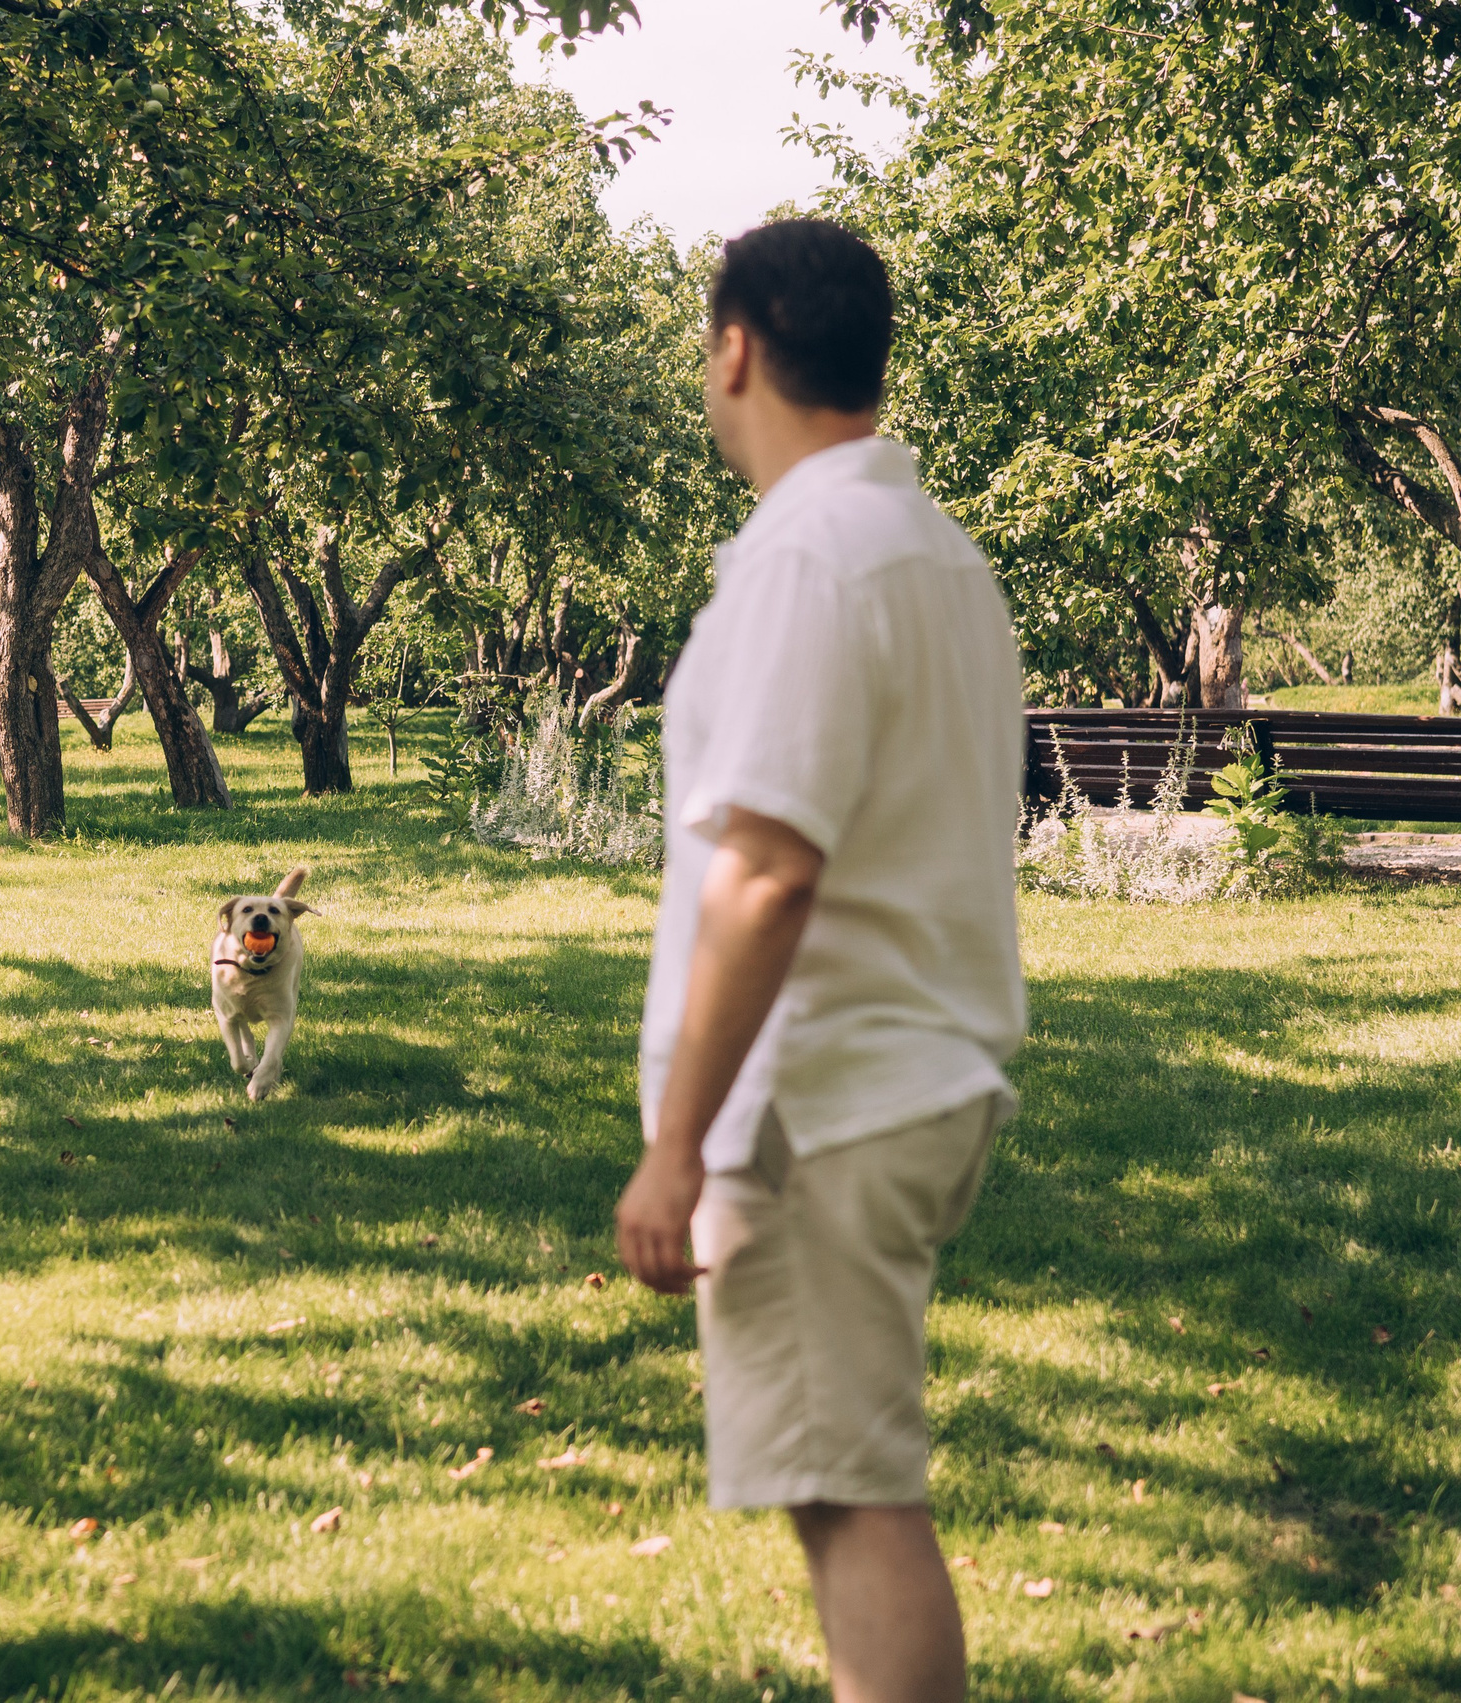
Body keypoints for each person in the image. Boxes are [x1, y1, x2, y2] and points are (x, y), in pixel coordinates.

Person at [614, 221, 1025, 1703]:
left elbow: (771, 868)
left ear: (734, 348)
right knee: (844, 1480)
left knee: (854, 1495)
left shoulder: (810, 556)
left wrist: (678, 1147)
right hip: (910, 1073)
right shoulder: (937, 552)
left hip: (823, 1101)